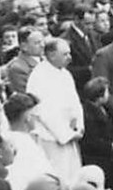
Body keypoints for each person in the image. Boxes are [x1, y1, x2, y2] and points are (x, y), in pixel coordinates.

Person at [26, 39, 84, 181]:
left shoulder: (65, 74)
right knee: (58, 176)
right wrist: (67, 134)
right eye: (65, 54)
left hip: (71, 134)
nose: (70, 58)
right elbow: (44, 111)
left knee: (73, 175)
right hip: (52, 137)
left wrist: (79, 127)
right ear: (51, 55)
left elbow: (76, 103)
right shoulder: (39, 76)